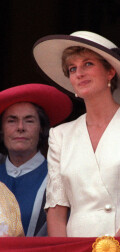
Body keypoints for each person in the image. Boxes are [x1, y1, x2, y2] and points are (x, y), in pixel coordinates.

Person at [33, 31, 120, 237]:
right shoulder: (60, 135)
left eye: (88, 64)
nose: (79, 73)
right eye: (72, 68)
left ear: (110, 72)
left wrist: (113, 247)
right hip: (77, 247)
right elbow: (56, 210)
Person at [0, 84, 72, 236]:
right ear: (1, 129)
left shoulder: (58, 176)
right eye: (11, 121)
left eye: (29, 120)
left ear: (41, 128)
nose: (20, 127)